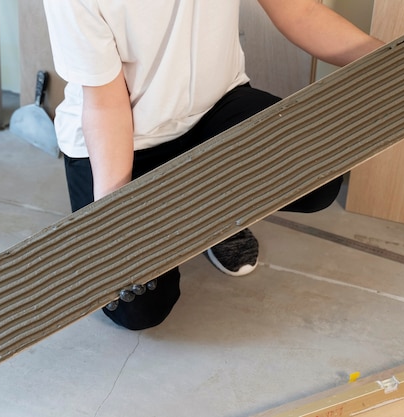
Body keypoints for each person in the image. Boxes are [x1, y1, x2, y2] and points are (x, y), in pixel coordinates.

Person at [42, 0, 384, 330]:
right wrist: (116, 221)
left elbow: (301, 11)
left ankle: (212, 217)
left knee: (318, 171)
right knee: (139, 308)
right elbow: (106, 107)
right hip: (128, 140)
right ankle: (176, 217)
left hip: (214, 110)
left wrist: (399, 63)